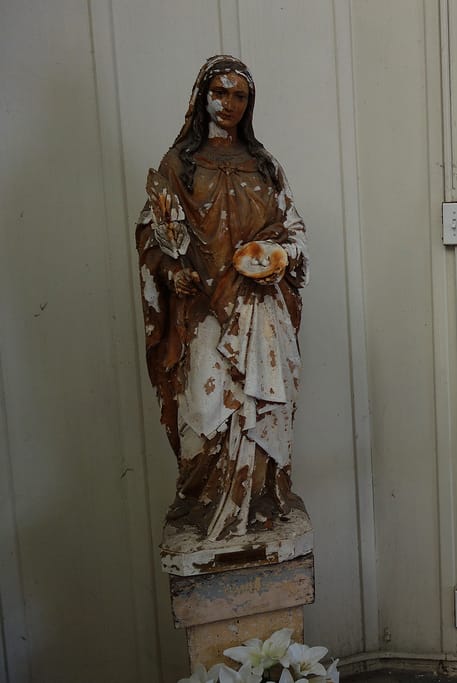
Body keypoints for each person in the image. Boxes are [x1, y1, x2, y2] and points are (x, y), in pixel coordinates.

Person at [137, 55, 309, 541]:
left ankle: (260, 501)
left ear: (249, 103)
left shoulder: (264, 165)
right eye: (221, 92)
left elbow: (296, 232)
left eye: (240, 95)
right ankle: (206, 501)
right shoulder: (178, 167)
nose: (229, 103)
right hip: (205, 313)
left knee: (265, 409)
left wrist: (279, 255)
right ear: (202, 97)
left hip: (261, 310)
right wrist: (172, 271)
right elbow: (153, 237)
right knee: (206, 408)